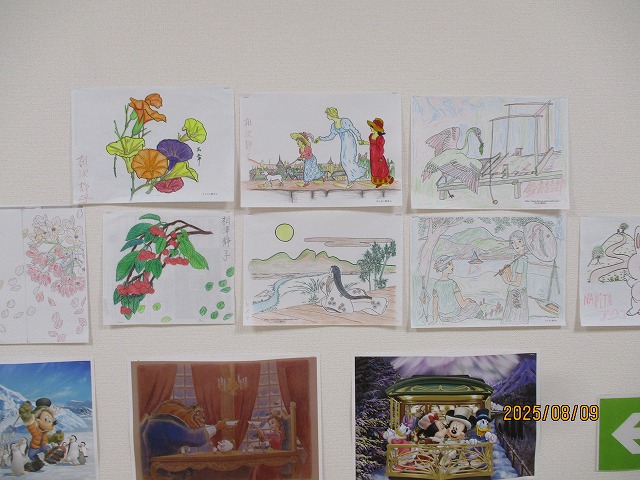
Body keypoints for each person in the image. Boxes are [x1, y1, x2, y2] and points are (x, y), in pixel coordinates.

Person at [315, 107, 366, 188]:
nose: (327, 116)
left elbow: (354, 129)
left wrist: (359, 139)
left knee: (348, 160)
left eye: (327, 114)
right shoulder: (333, 126)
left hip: (350, 141)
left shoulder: (345, 121)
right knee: (343, 161)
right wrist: (320, 138)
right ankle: (353, 177)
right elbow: (330, 137)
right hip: (344, 144)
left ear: (331, 114)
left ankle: (351, 180)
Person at [430, 255, 480, 324]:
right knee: (474, 305)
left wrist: (434, 320)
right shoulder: (452, 283)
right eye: (450, 264)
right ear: (444, 266)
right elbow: (462, 304)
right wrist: (468, 300)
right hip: (454, 315)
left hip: (443, 317)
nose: (452, 266)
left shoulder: (436, 284)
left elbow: (435, 304)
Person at [500, 230, 529, 324]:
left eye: (519, 241)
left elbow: (517, 283)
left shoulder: (520, 260)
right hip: (517, 292)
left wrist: (505, 280)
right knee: (515, 317)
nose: (515, 244)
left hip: (517, 293)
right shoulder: (518, 259)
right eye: (513, 242)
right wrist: (507, 271)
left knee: (514, 318)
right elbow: (512, 278)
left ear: (525, 242)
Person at [363, 117, 394, 187]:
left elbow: (381, 148)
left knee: (380, 169)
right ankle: (377, 182)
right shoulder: (371, 136)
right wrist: (364, 142)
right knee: (374, 168)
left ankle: (385, 180)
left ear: (376, 128)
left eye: (372, 127)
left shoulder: (380, 138)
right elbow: (371, 143)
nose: (370, 128)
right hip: (372, 155)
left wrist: (380, 157)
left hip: (378, 156)